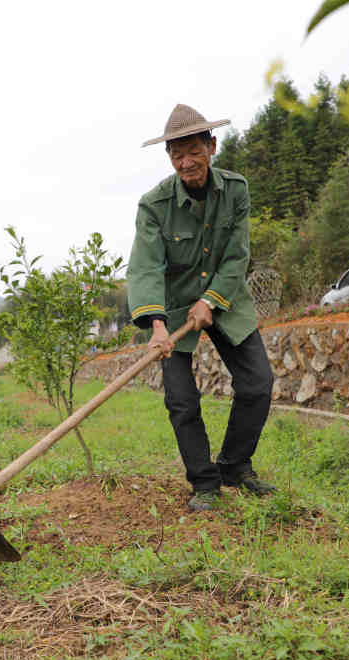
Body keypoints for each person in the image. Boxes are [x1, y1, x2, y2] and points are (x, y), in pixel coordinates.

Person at [127, 104, 276, 511]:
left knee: (258, 383)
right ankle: (205, 483)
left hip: (226, 299)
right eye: (176, 155)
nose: (185, 162)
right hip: (172, 308)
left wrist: (210, 300)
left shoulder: (236, 189)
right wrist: (157, 325)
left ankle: (234, 465)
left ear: (211, 146)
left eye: (193, 151)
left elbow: (236, 255)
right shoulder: (154, 206)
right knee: (181, 400)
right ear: (169, 157)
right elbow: (145, 267)